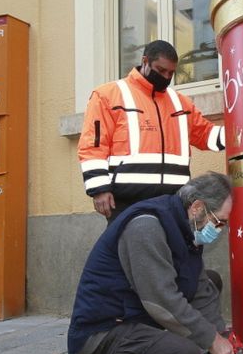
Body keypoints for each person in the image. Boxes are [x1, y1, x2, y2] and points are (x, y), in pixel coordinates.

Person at [67, 172, 243, 354]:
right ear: (197, 207)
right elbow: (161, 301)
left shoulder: (187, 226)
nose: (219, 229)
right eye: (219, 221)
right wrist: (211, 341)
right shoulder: (146, 226)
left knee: (211, 280)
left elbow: (201, 289)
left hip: (138, 315)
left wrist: (226, 345)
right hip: (104, 329)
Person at [78, 40, 226, 223]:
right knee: (132, 251)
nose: (165, 77)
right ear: (145, 61)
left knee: (171, 252)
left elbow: (206, 135)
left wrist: (239, 133)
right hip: (126, 201)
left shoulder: (180, 102)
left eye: (171, 73)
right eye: (160, 70)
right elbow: (93, 145)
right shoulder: (107, 95)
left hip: (174, 201)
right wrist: (99, 189)